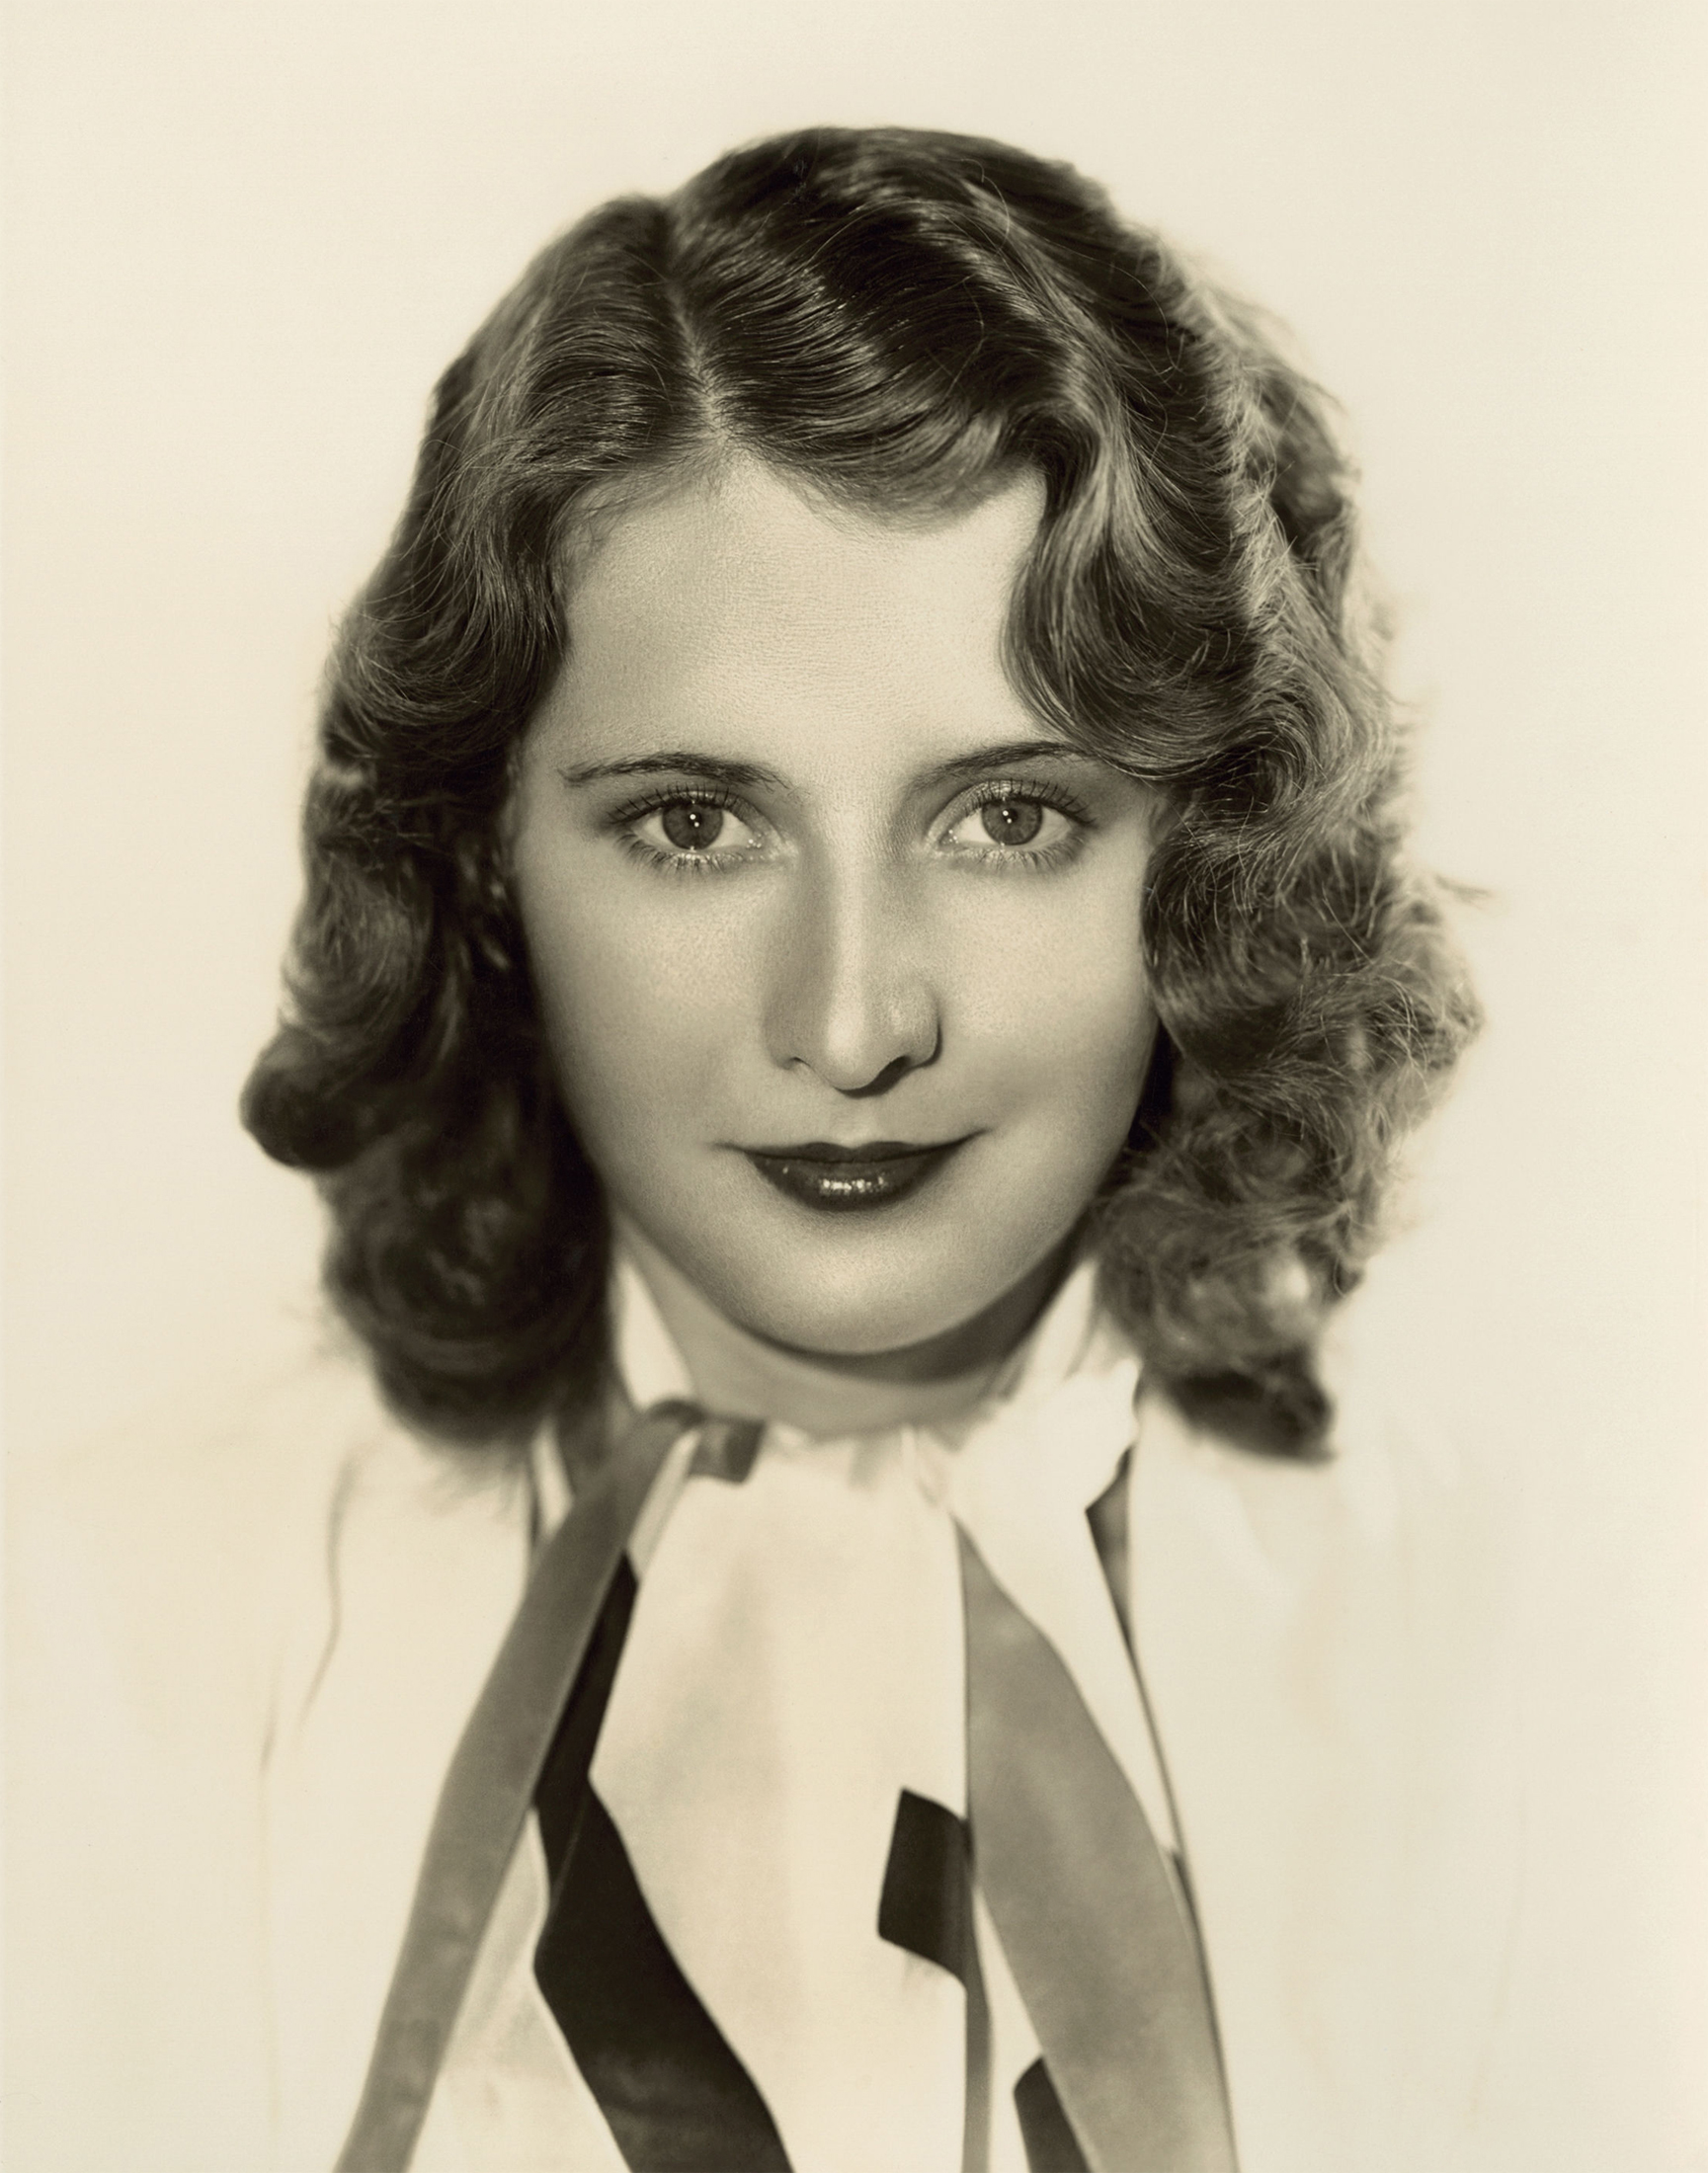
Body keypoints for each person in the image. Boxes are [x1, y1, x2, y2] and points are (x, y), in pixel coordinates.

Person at [12, 126, 1517, 2173]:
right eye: (695, 824)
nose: (853, 1020)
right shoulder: (105, 1638)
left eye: (1008, 818)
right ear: (484, 864)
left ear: (1210, 858)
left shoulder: (1530, 1662)